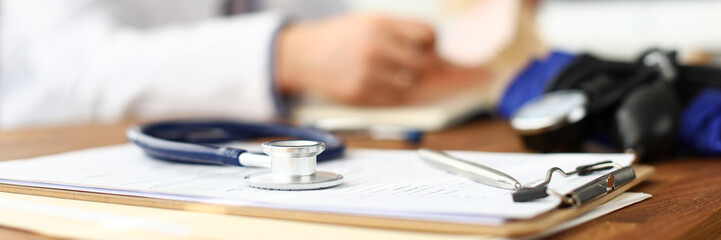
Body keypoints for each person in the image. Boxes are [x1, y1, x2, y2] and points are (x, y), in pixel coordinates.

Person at [1, 0, 467, 129]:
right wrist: (285, 55)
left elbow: (329, 33)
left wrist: (396, 59)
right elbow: (78, 66)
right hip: (41, 150)